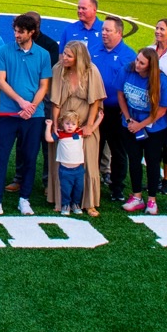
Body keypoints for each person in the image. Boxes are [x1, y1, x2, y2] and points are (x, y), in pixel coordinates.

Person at [0, 13, 51, 217]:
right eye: (15, 30)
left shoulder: (43, 54)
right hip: (8, 113)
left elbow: (44, 85)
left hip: (34, 115)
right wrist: (21, 102)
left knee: (30, 157)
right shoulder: (4, 51)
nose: (16, 35)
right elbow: (1, 81)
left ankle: (25, 199)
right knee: (1, 156)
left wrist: (31, 106)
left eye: (21, 32)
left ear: (31, 32)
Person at [44, 40, 104, 215]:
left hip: (85, 123)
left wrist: (90, 126)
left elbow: (96, 101)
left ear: (79, 58)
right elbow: (55, 101)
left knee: (89, 161)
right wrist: (55, 124)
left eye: (69, 56)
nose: (64, 58)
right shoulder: (58, 69)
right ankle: (60, 200)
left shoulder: (91, 71)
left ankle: (89, 202)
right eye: (64, 54)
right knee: (61, 160)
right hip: (63, 122)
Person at [116, 41, 167, 215]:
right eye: (137, 60)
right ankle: (136, 196)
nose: (137, 64)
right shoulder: (128, 70)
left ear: (150, 66)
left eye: (142, 63)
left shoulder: (161, 80)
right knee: (134, 160)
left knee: (152, 161)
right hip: (130, 123)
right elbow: (120, 94)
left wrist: (141, 124)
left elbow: (162, 109)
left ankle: (152, 199)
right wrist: (128, 119)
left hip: (154, 128)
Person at [93, 18, 135, 209]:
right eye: (103, 29)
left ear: (119, 33)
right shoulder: (94, 50)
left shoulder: (128, 55)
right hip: (96, 110)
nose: (104, 33)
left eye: (108, 30)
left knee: (118, 151)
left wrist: (126, 109)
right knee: (94, 148)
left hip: (117, 111)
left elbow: (133, 84)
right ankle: (92, 185)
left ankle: (117, 187)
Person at [52, 109, 89, 215]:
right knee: (65, 189)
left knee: (78, 188)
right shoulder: (60, 134)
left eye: (73, 124)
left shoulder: (80, 132)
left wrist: (99, 118)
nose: (69, 126)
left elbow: (92, 128)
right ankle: (65, 205)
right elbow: (49, 139)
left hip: (78, 169)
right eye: (67, 123)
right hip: (64, 169)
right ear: (62, 123)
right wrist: (49, 126)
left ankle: (75, 204)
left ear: (77, 125)